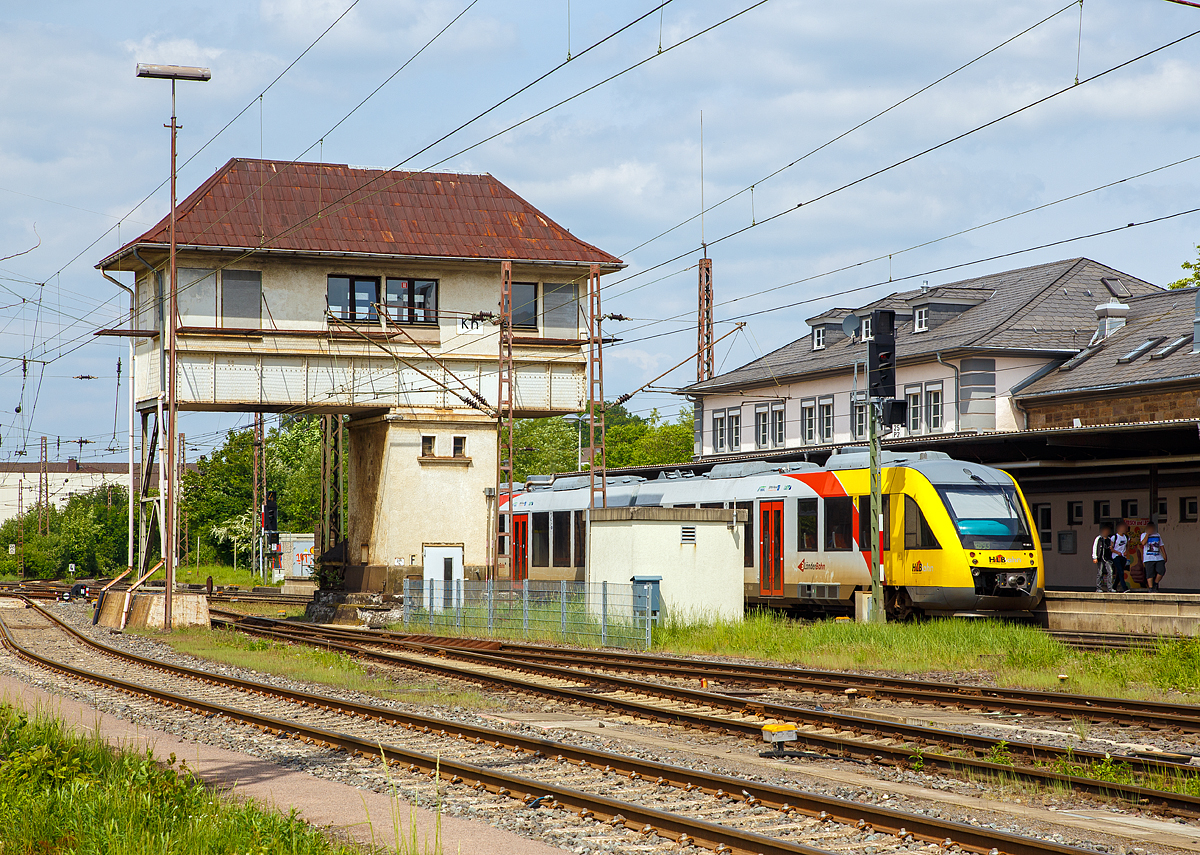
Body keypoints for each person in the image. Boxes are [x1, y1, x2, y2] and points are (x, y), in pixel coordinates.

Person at [1141, 522, 1167, 591]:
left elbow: (1161, 545)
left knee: (1161, 570)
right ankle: (1151, 588)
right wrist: (1147, 534)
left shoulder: (1157, 535)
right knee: (1150, 573)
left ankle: (1155, 583)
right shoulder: (1143, 535)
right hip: (1148, 558)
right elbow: (1143, 543)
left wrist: (1164, 554)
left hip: (1158, 557)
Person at [1092, 523, 1115, 593]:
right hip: (1100, 558)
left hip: (1107, 558)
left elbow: (1110, 548)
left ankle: (1110, 588)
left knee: (1110, 572)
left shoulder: (1109, 539)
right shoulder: (1098, 539)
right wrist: (1094, 557)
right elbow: (1095, 547)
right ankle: (1098, 587)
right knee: (1100, 572)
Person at [1111, 522, 1131, 593]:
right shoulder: (1114, 537)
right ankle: (1124, 588)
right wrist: (1117, 552)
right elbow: (1111, 548)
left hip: (1123, 557)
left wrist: (1126, 551)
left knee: (1119, 573)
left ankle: (1114, 587)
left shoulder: (1126, 537)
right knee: (1121, 572)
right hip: (1116, 556)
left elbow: (1128, 545)